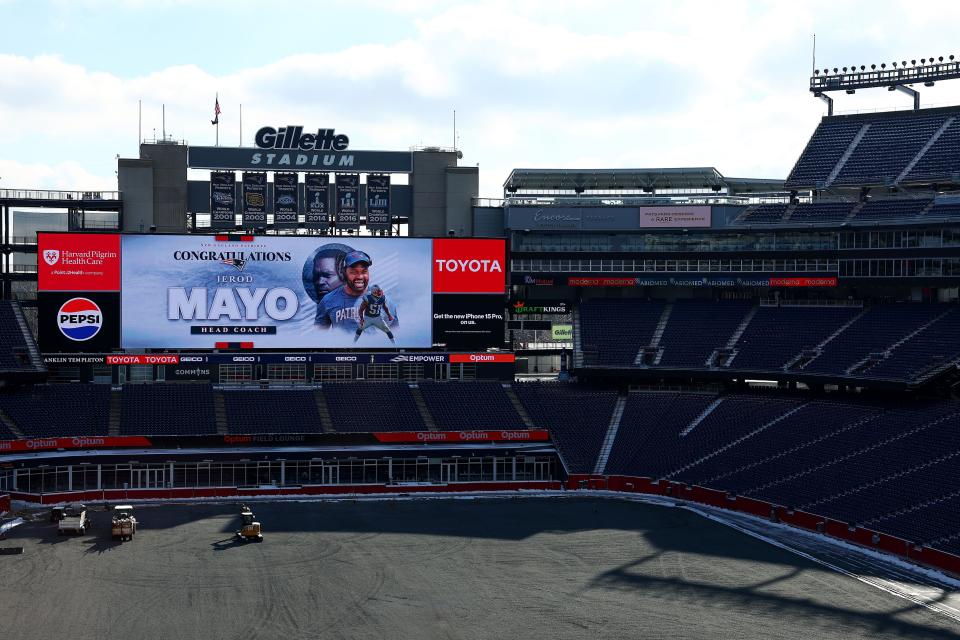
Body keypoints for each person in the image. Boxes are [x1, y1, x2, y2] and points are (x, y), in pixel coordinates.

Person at [315, 250, 379, 330]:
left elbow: (395, 335)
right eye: (353, 272)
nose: (360, 277)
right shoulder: (327, 301)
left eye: (364, 271)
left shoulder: (383, 300)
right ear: (344, 273)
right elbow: (319, 336)